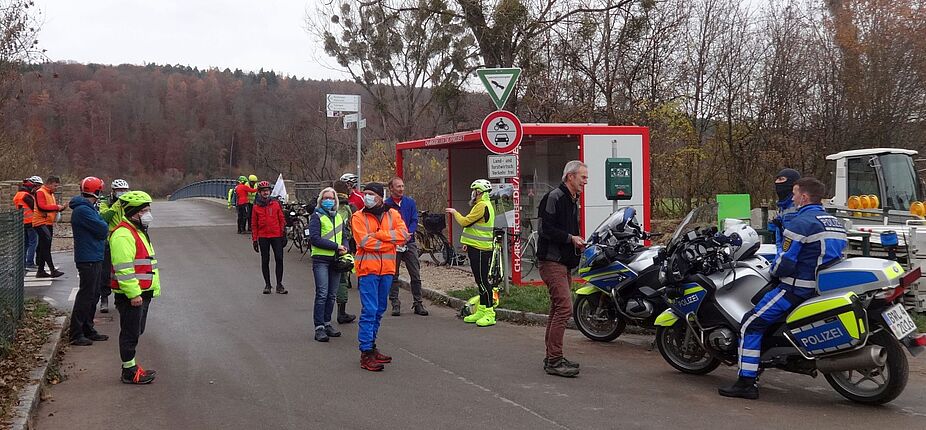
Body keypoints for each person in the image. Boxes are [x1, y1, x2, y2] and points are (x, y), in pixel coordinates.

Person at [719, 177, 847, 399]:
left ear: (804, 197)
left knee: (750, 324)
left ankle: (746, 382)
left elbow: (785, 262)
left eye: (795, 194)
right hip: (821, 287)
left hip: (796, 289)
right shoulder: (834, 221)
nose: (793, 197)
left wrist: (773, 271)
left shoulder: (801, 223)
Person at [536, 161, 588, 378]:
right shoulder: (554, 197)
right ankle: (555, 360)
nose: (586, 181)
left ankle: (552, 356)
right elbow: (544, 228)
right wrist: (570, 238)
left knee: (557, 309)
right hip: (551, 261)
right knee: (565, 308)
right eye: (583, 177)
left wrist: (577, 242)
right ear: (570, 177)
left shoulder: (572, 200)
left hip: (563, 262)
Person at [352, 182, 409, 371]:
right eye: (365, 194)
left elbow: (403, 234)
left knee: (379, 310)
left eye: (370, 194)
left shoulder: (393, 214)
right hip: (368, 270)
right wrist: (390, 242)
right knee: (369, 310)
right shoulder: (358, 217)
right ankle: (366, 352)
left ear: (380, 196)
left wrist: (380, 235)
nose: (366, 197)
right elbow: (364, 242)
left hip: (387, 270)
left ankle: (372, 345)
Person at [109, 191, 159, 385]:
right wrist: (134, 294)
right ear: (134, 213)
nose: (148, 214)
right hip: (133, 295)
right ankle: (129, 371)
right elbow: (124, 268)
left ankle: (130, 367)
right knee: (130, 332)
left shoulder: (137, 230)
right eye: (144, 210)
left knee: (137, 330)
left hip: (142, 291)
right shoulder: (123, 234)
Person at [446, 179, 496, 327]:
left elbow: (465, 222)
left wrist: (455, 213)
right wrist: (467, 243)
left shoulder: (481, 206)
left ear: (479, 192)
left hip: (481, 248)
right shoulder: (484, 205)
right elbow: (475, 226)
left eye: (474, 191)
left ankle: (489, 312)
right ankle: (481, 310)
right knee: (480, 281)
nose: (473, 194)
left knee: (483, 282)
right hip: (477, 247)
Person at [68, 177, 110, 346]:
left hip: (94, 256)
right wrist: (102, 224)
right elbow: (102, 229)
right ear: (96, 191)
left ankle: (88, 328)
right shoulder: (83, 210)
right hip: (88, 258)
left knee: (93, 295)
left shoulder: (88, 208)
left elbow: (100, 228)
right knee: (86, 296)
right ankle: (76, 333)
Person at [309, 187, 349, 342]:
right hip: (321, 259)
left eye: (331, 198)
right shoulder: (316, 216)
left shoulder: (338, 217)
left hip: (336, 260)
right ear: (321, 199)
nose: (328, 200)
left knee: (332, 295)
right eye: (326, 198)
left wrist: (345, 247)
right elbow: (315, 238)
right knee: (322, 294)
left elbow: (344, 235)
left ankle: (327, 323)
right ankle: (319, 327)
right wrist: (336, 247)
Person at [385, 177, 428, 316]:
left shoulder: (410, 202)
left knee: (415, 273)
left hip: (409, 241)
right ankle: (395, 303)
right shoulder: (386, 205)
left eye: (402, 186)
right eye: (398, 186)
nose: (401, 189)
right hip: (393, 243)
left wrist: (409, 234)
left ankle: (418, 303)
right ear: (391, 188)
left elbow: (414, 219)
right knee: (393, 275)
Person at [98, 178, 131, 314]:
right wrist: (117, 205)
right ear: (113, 191)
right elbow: (104, 217)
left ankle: (121, 298)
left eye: (124, 190)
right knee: (105, 271)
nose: (122, 193)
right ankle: (104, 298)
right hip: (109, 239)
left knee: (123, 269)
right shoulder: (106, 201)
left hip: (125, 240)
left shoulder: (130, 201)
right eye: (119, 190)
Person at [251, 181, 288, 295]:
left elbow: (281, 219)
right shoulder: (256, 207)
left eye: (267, 191)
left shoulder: (275, 204)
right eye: (263, 191)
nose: (266, 193)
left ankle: (279, 284)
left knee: (279, 259)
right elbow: (254, 224)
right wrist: (255, 240)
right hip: (263, 236)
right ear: (260, 193)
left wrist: (283, 233)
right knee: (265, 260)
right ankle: (267, 284)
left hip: (276, 235)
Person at [333, 180, 357, 324]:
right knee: (342, 280)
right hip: (343, 247)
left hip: (325, 249)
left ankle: (323, 317)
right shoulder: (349, 207)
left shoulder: (324, 206)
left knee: (326, 285)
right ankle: (341, 313)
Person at [33, 175, 66, 278]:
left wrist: (60, 209)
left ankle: (41, 270)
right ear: (49, 184)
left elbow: (49, 208)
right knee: (45, 247)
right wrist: (57, 207)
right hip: (40, 222)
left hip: (47, 223)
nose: (56, 188)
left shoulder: (50, 193)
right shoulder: (40, 192)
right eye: (55, 186)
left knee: (44, 247)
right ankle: (52, 270)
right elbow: (42, 206)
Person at [769, 168, 801, 255]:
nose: (776, 182)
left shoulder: (796, 206)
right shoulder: (784, 206)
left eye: (781, 179)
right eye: (777, 179)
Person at [12, 177, 38, 270]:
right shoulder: (27, 196)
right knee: (33, 242)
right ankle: (29, 262)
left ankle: (22, 263)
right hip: (31, 221)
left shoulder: (18, 195)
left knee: (25, 244)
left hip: (22, 222)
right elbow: (34, 208)